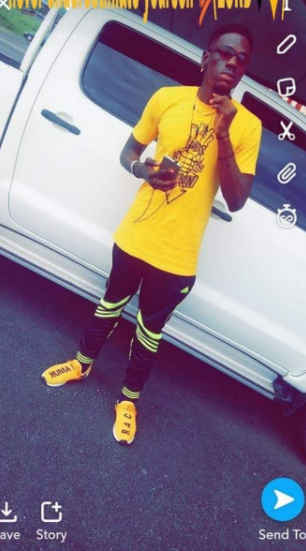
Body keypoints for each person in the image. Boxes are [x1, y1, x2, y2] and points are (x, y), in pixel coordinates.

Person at [42, 24, 262, 445]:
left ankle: (128, 401)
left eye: (241, 59)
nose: (232, 63)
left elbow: (236, 200)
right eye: (224, 53)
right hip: (137, 234)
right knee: (109, 304)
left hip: (178, 254)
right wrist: (143, 170)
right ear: (206, 58)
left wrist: (223, 134)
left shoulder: (247, 127)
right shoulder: (167, 99)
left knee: (150, 330)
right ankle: (82, 363)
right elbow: (129, 152)